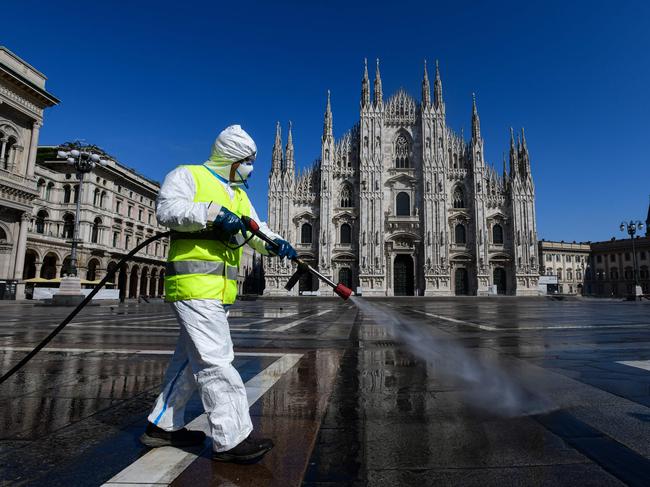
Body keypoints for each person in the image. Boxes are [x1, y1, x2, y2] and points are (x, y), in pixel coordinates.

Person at [140, 125, 297, 464]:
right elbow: (167, 210)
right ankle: (232, 438)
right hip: (193, 286)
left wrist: (277, 244)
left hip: (218, 291)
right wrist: (211, 214)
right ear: (231, 157)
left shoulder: (237, 194)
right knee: (216, 361)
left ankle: (162, 425)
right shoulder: (188, 175)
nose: (250, 168)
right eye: (247, 161)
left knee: (188, 361)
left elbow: (257, 229)